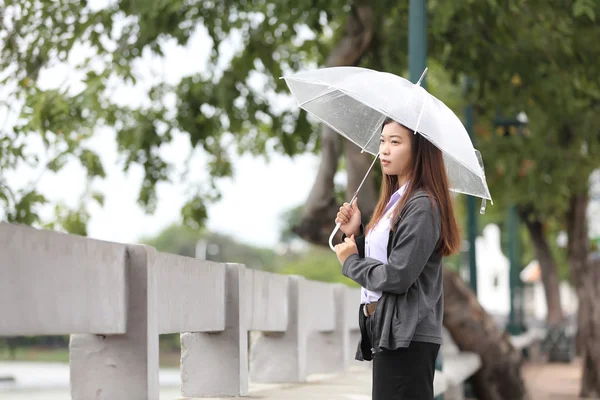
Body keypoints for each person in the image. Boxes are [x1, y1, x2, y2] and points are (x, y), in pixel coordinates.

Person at [333, 117, 461, 400]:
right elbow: (387, 256)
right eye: (382, 141)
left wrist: (352, 262)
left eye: (395, 142)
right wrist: (357, 233)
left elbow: (399, 275)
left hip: (409, 337)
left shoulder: (422, 206)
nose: (385, 150)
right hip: (389, 332)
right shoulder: (396, 202)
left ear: (419, 151)